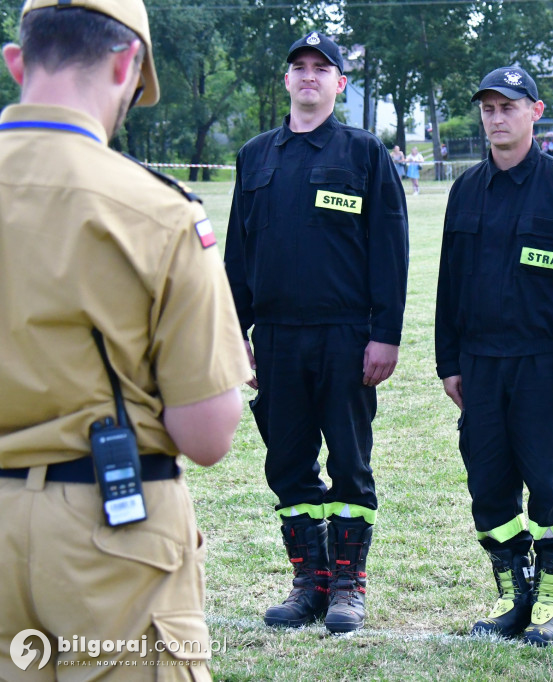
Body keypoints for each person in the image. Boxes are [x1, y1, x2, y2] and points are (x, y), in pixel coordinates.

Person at [0, 0, 249, 677]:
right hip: (112, 530)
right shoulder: (159, 212)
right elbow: (207, 435)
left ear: (16, 61)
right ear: (126, 64)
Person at [224, 30, 409, 635]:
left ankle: (349, 587)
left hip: (346, 335)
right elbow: (237, 254)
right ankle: (311, 582)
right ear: (286, 80)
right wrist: (234, 331)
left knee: (350, 464)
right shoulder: (255, 156)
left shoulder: (363, 153)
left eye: (320, 68)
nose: (308, 76)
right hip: (276, 337)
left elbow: (389, 250)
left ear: (339, 83)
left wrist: (385, 333)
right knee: (288, 465)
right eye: (298, 67)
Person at [434, 66, 553, 647]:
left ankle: (550, 605)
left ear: (534, 112)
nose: (496, 117)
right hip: (480, 364)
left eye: (508, 107)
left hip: (543, 366)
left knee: (549, 488)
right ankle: (514, 595)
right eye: (487, 108)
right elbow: (449, 283)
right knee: (487, 485)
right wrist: (449, 362)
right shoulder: (465, 190)